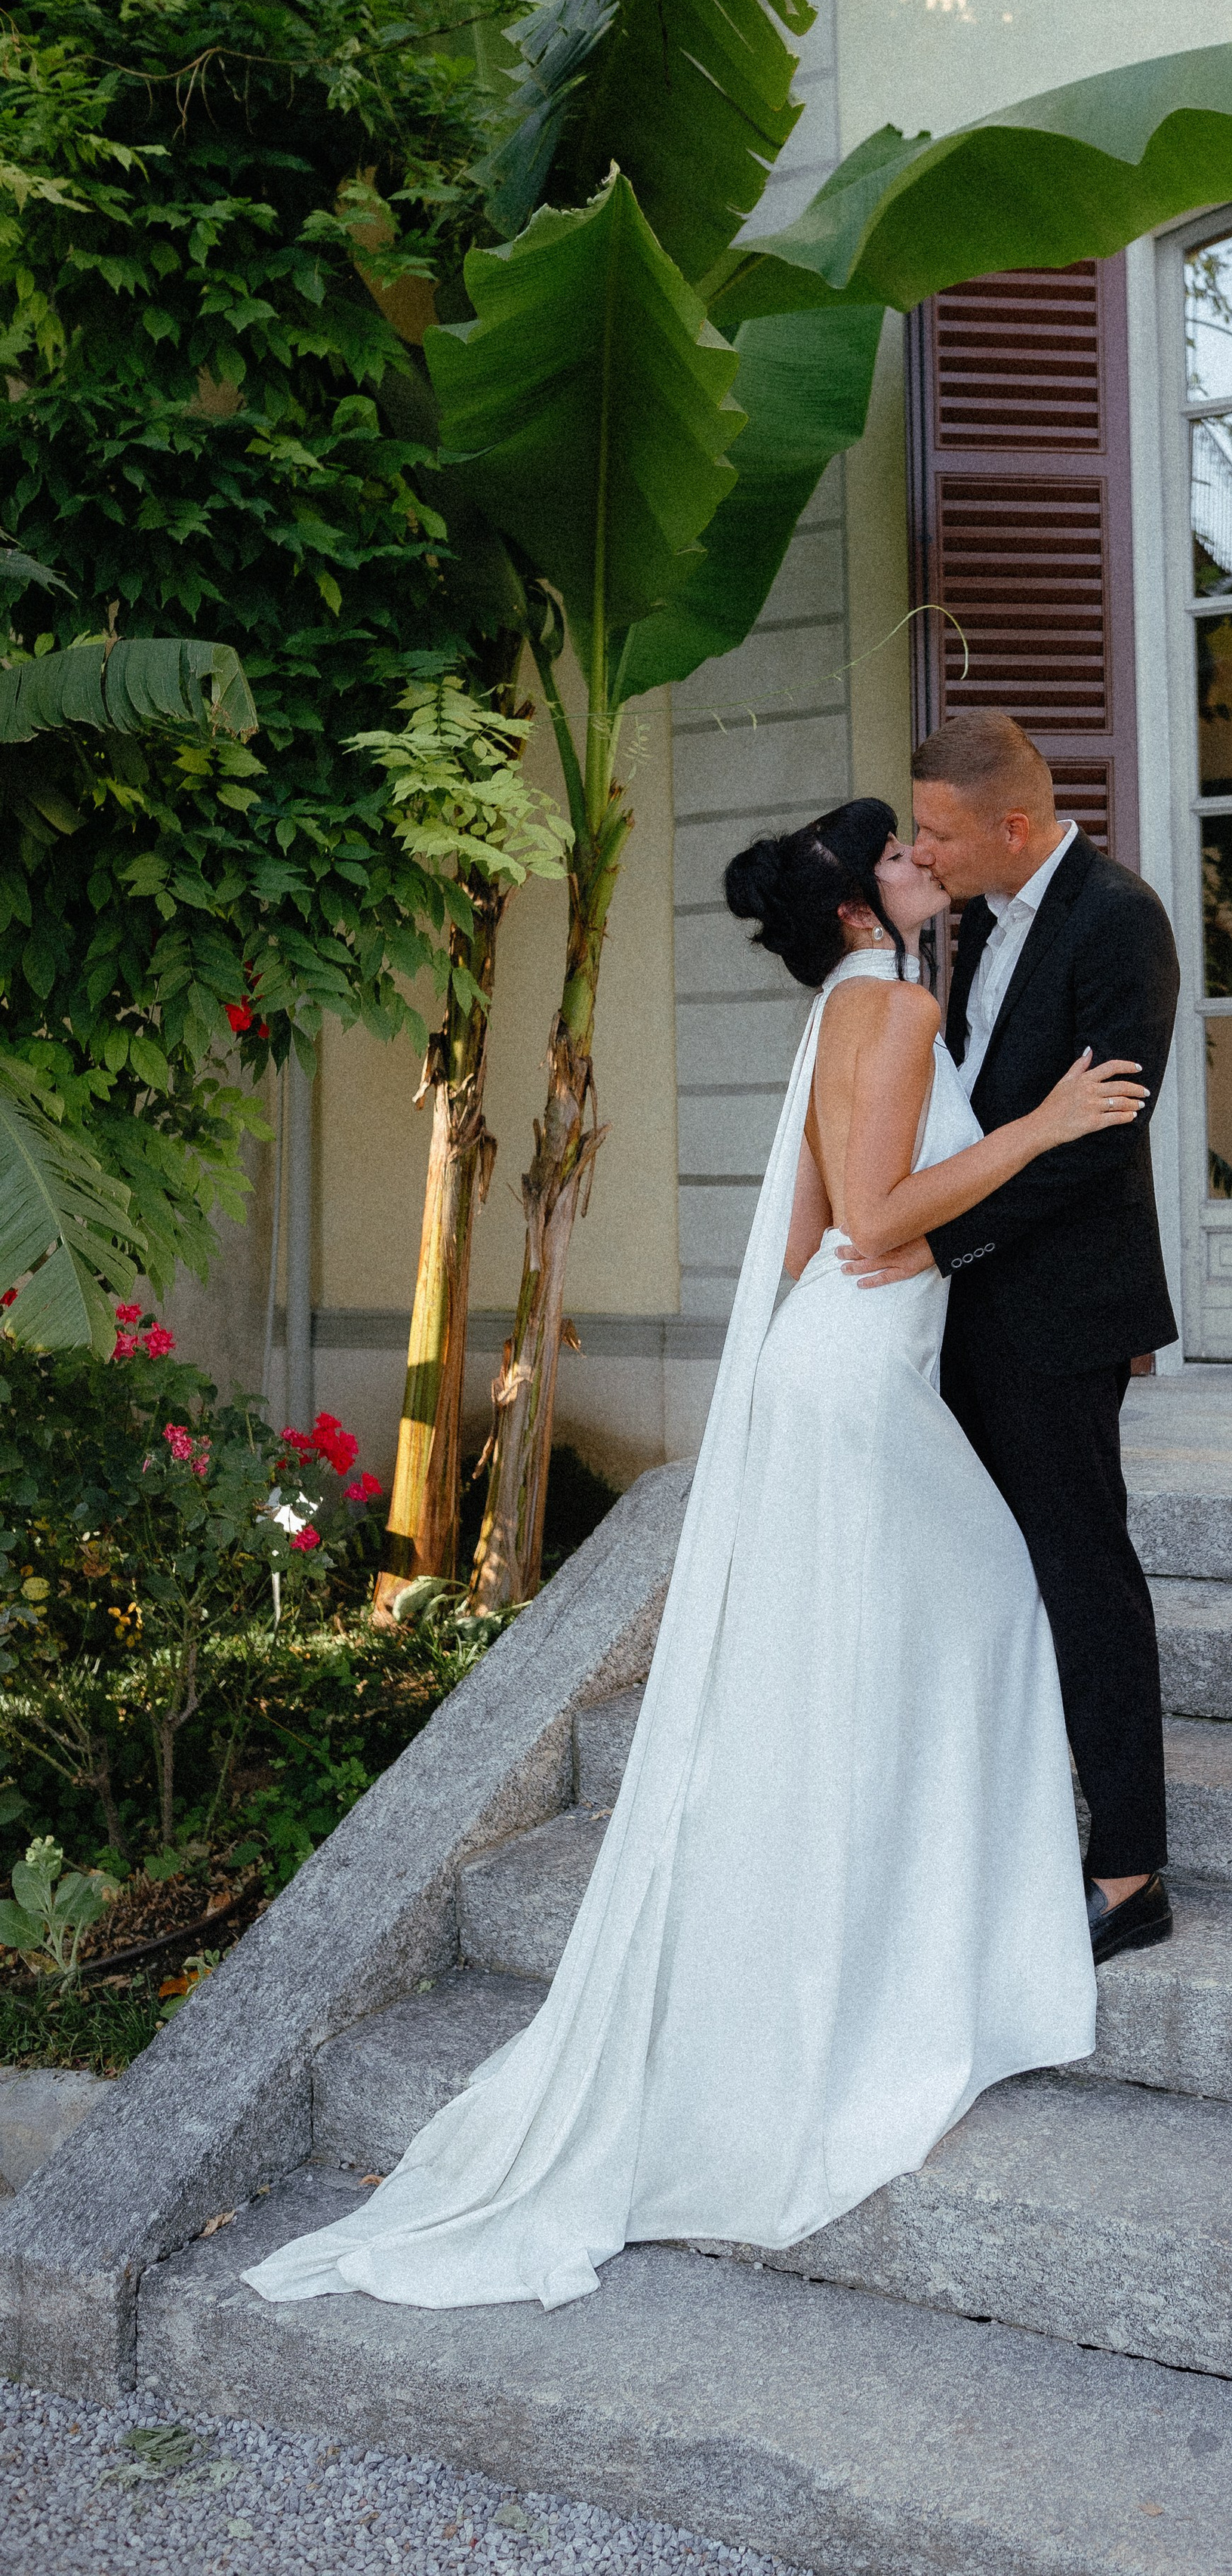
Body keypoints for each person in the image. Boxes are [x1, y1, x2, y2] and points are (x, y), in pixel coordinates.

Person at [241, 798, 1147, 2315]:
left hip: (827, 1365)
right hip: (854, 1385)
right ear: (866, 902)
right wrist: (1043, 1129)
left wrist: (848, 1309)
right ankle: (937, 1959)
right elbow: (866, 1223)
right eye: (906, 855)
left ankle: (914, 1933)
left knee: (904, 1644)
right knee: (990, 1610)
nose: (930, 864)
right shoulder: (902, 1007)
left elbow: (805, 1236)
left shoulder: (846, 1009)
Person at [842, 713, 1181, 1965]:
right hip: (963, 1310)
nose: (921, 849)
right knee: (986, 1572)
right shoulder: (972, 923)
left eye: (936, 830)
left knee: (1084, 1576)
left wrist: (940, 1246)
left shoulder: (1118, 920)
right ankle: (1007, 1823)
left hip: (1057, 1310)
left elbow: (1096, 1142)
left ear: (1015, 828)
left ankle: (1130, 1870)